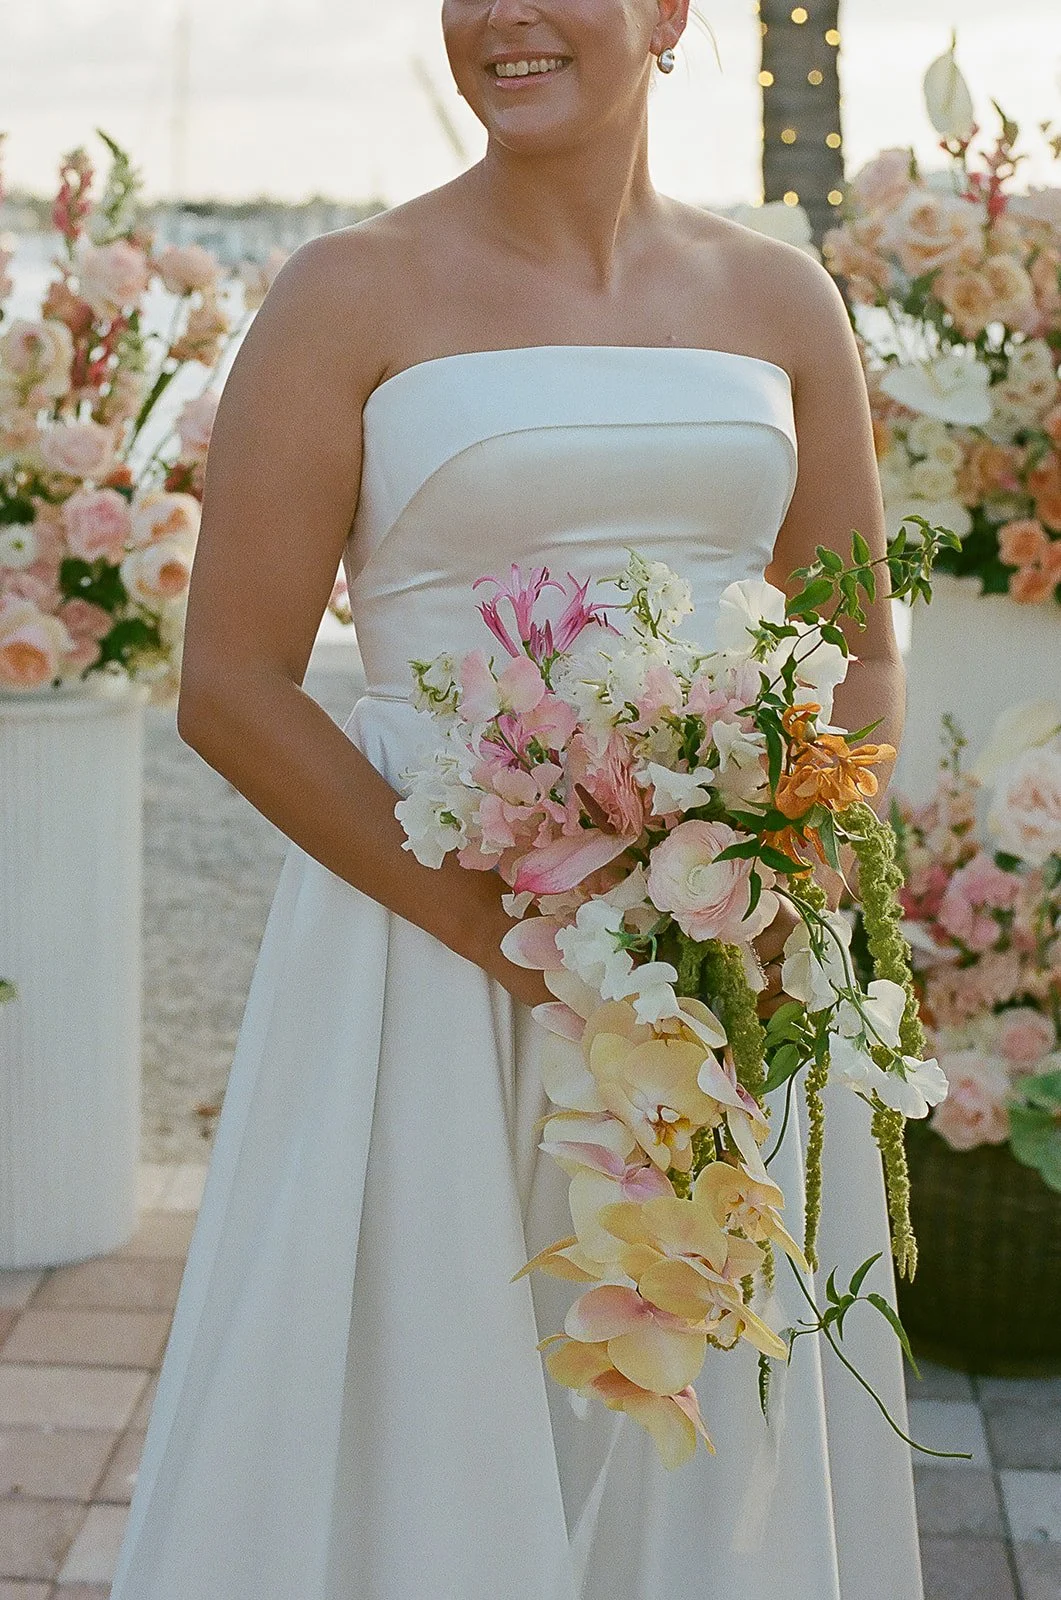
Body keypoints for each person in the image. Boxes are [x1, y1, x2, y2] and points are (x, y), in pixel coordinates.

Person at [111, 2, 923, 1596]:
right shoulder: (347, 291)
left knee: (701, 1384)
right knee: (426, 1366)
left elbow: (862, 657)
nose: (503, 16)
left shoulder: (780, 296)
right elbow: (234, 686)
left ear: (673, 11)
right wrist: (516, 942)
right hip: (424, 956)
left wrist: (783, 897)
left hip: (724, 968)